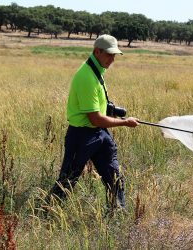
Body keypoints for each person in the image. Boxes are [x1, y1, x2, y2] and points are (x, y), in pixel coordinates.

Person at [48, 34, 139, 211]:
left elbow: (98, 112)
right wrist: (125, 122)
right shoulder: (86, 76)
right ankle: (47, 213)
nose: (112, 59)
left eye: (114, 55)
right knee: (68, 180)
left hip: (100, 132)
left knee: (114, 177)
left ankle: (117, 214)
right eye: (109, 55)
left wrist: (111, 111)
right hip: (82, 135)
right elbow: (95, 118)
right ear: (97, 52)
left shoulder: (98, 70)